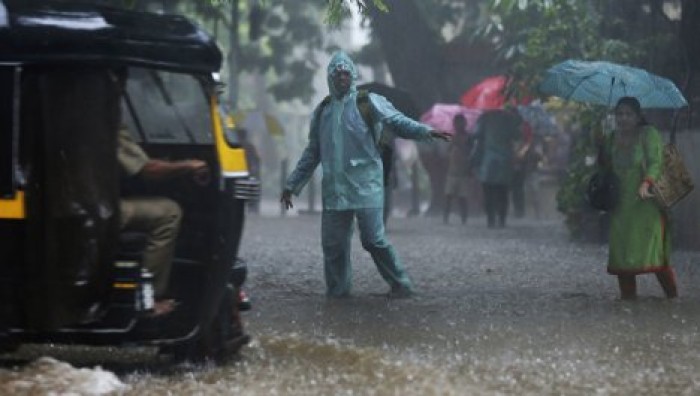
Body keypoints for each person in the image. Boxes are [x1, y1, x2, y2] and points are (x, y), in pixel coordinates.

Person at [280, 51, 450, 298]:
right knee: (333, 244)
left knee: (373, 239)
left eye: (346, 73)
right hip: (335, 190)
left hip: (366, 185)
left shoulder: (369, 102)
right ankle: (338, 291)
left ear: (353, 76)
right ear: (330, 76)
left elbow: (399, 121)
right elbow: (312, 153)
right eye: (336, 73)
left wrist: (426, 132)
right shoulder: (323, 111)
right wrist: (292, 184)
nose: (341, 77)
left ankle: (401, 284)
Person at [118, 127, 210, 315]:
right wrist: (189, 165)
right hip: (94, 209)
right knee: (169, 212)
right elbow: (149, 170)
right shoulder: (101, 121)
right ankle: (148, 298)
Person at [601, 96, 677, 300]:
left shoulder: (648, 134)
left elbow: (656, 161)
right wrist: (598, 144)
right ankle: (629, 306)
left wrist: (646, 183)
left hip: (646, 203)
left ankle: (673, 300)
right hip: (620, 205)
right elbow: (606, 168)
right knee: (622, 258)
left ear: (638, 116)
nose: (623, 118)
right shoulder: (610, 138)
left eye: (628, 114)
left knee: (655, 255)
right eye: (619, 114)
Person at [470, 108, 523, 228]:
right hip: (505, 160)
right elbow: (517, 136)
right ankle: (502, 219)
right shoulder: (510, 118)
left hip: (488, 160)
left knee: (488, 190)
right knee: (503, 191)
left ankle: (491, 219)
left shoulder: (485, 117)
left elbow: (476, 134)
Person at [443, 114, 472, 225]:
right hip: (452, 171)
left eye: (460, 122)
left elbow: (470, 151)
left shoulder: (468, 137)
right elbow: (447, 151)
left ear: (464, 123)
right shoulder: (452, 137)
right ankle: (445, 218)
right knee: (448, 196)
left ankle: (464, 218)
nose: (458, 125)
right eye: (456, 123)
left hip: (463, 172)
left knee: (462, 197)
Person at [237, 127, 261, 213]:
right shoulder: (250, 146)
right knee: (250, 188)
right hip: (249, 171)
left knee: (239, 189)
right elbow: (257, 159)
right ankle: (252, 206)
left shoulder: (236, 145)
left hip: (239, 171)